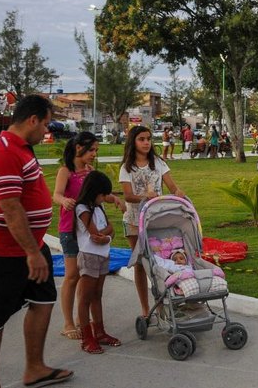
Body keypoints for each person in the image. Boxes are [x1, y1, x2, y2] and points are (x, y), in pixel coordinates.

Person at [0, 95, 73, 388]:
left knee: (43, 301)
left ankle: (35, 368)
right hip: (6, 251)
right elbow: (11, 208)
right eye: (45, 124)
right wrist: (32, 252)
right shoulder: (4, 152)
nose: (46, 131)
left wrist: (35, 248)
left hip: (32, 246)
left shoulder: (22, 149)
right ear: (32, 120)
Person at [52, 131, 123, 341]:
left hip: (88, 231)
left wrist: (114, 199)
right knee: (72, 275)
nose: (94, 154)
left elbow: (98, 194)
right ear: (78, 148)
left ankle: (84, 320)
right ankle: (68, 323)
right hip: (70, 230)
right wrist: (64, 201)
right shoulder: (66, 171)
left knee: (87, 277)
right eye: (91, 149)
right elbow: (56, 194)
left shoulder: (90, 171)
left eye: (96, 150)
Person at [119, 125, 188, 319]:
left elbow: (172, 186)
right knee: (141, 264)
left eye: (148, 139)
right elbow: (128, 196)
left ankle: (161, 304)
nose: (146, 143)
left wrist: (178, 193)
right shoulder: (127, 168)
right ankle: (145, 307)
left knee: (160, 261)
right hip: (135, 221)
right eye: (141, 139)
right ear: (133, 142)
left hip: (156, 220)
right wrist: (145, 197)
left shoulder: (158, 163)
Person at [74, 170, 120, 354]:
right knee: (85, 297)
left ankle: (100, 332)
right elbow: (95, 234)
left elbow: (110, 229)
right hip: (89, 256)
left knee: (97, 294)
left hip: (103, 255)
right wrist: (107, 234)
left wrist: (106, 237)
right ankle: (87, 338)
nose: (104, 198)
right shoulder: (82, 209)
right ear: (94, 192)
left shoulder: (99, 207)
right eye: (102, 194)